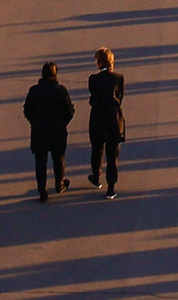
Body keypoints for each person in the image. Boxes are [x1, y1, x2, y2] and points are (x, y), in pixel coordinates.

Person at [23, 62, 74, 202]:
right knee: (59, 158)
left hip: (39, 129)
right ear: (55, 74)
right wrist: (63, 122)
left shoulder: (34, 90)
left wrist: (34, 121)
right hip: (57, 129)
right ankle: (59, 184)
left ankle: (42, 191)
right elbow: (69, 111)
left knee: (40, 160)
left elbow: (27, 110)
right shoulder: (61, 90)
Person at [86, 50, 126, 197]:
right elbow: (120, 98)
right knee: (112, 154)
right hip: (113, 119)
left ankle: (96, 177)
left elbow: (93, 96)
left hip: (97, 118)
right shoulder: (118, 78)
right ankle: (111, 188)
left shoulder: (93, 79)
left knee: (97, 149)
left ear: (99, 62)